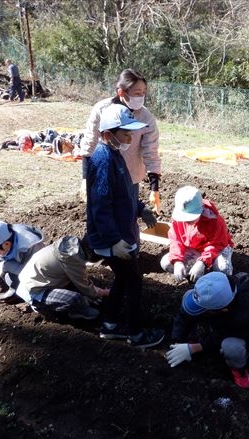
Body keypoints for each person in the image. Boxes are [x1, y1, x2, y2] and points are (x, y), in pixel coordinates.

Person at [85, 103, 163, 348]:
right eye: (126, 133)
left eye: (131, 132)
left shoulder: (115, 155)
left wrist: (141, 209)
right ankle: (137, 334)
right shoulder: (103, 159)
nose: (130, 137)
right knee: (134, 282)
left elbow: (124, 194)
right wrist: (113, 240)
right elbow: (101, 205)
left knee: (122, 279)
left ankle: (110, 325)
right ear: (108, 134)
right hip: (113, 238)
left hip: (120, 234)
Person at [79, 69, 161, 213]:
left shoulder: (145, 117)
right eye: (137, 93)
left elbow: (151, 151)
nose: (141, 97)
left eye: (143, 93)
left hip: (130, 177)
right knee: (102, 213)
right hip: (102, 175)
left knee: (127, 215)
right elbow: (90, 142)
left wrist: (154, 188)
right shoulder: (102, 109)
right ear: (121, 92)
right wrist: (86, 178)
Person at [166, 271, 249, 389]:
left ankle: (238, 369)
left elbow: (219, 337)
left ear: (222, 310)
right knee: (188, 298)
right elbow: (184, 316)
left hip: (245, 336)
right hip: (220, 322)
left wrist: (193, 348)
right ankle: (191, 340)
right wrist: (177, 341)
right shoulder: (219, 285)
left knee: (231, 347)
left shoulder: (242, 317)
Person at [16, 236, 109, 321]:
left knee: (78, 286)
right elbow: (84, 286)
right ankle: (71, 311)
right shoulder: (73, 260)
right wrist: (103, 292)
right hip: (35, 291)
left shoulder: (72, 246)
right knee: (74, 298)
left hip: (35, 279)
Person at [160, 185, 234, 283]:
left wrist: (202, 262)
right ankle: (197, 275)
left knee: (223, 269)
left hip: (218, 248)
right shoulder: (178, 219)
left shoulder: (215, 221)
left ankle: (211, 275)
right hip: (195, 248)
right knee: (166, 263)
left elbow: (216, 244)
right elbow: (175, 239)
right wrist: (177, 261)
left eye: (190, 217)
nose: (186, 221)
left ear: (200, 210)